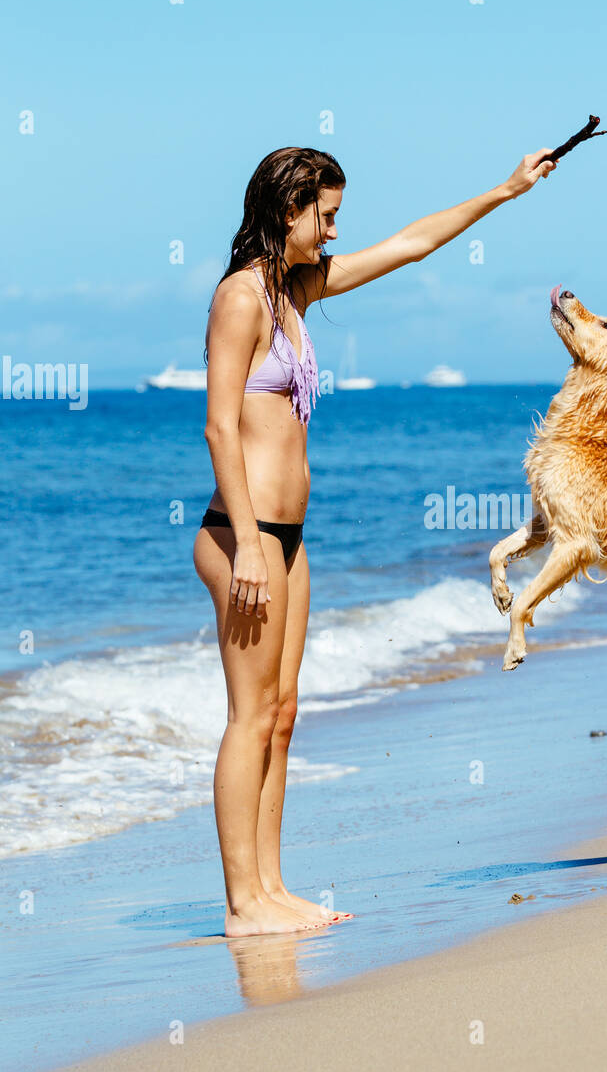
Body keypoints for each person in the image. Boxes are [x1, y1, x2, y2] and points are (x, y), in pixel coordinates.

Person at [193, 143, 559, 936]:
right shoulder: (240, 299)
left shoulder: (296, 290)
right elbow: (222, 426)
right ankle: (241, 903)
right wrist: (251, 543)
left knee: (283, 716)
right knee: (248, 717)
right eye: (324, 217)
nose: (331, 232)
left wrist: (505, 190)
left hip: (289, 538)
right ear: (287, 210)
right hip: (240, 537)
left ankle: (274, 887)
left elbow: (410, 244)